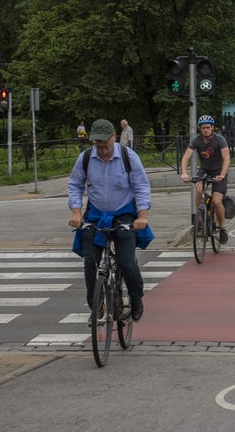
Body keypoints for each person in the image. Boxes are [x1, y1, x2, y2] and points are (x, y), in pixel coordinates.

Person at [67, 119, 153, 322]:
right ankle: (95, 306)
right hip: (96, 214)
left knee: (126, 261)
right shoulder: (86, 157)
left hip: (124, 214)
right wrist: (76, 212)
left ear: (113, 137)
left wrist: (142, 216)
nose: (101, 147)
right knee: (90, 262)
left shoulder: (127, 157)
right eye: (97, 143)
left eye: (104, 142)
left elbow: (141, 186)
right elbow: (75, 184)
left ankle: (135, 297)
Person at [180, 115, 231, 243]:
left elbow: (226, 159)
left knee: (216, 200)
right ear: (200, 129)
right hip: (204, 171)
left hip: (219, 171)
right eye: (203, 128)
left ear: (212, 128)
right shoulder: (196, 141)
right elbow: (186, 157)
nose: (205, 130)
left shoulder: (220, 140)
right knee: (198, 195)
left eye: (208, 127)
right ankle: (202, 224)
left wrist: (222, 175)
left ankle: (222, 226)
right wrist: (184, 173)